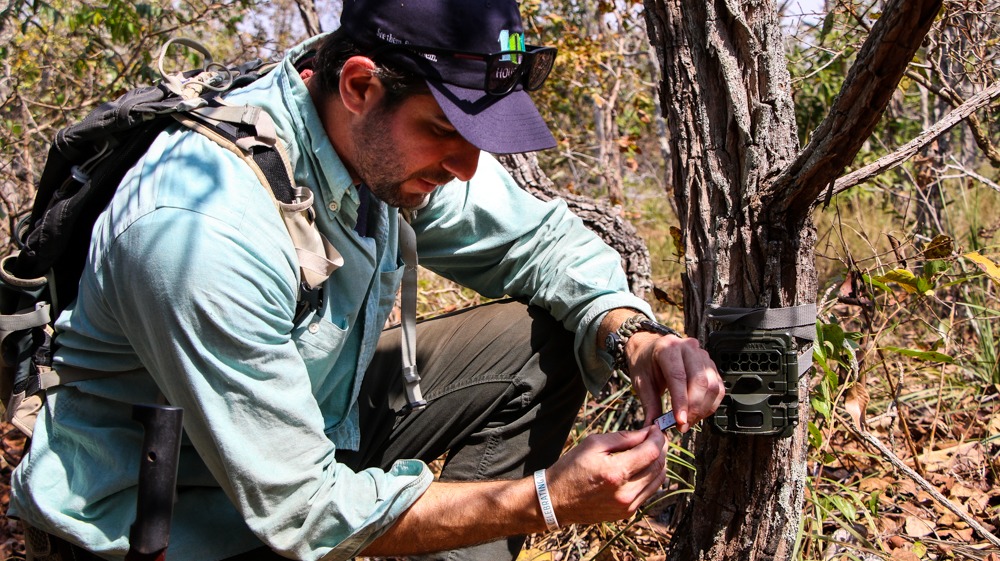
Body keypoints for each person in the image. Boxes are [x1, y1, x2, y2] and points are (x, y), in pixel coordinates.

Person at [9, 0, 724, 559]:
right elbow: (301, 510)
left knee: (537, 337)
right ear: (358, 84)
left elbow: (538, 239)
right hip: (171, 524)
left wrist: (633, 333)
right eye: (447, 133)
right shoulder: (201, 228)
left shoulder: (372, 134)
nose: (467, 168)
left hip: (310, 435)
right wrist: (544, 499)